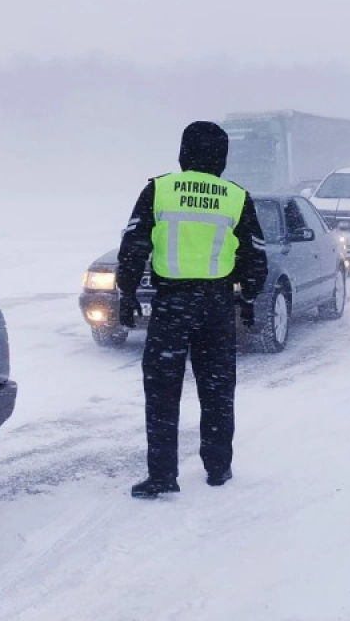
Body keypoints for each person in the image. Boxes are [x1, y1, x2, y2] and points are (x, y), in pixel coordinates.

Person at [117, 121, 268, 499]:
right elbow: (255, 256)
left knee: (162, 391)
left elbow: (134, 243)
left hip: (171, 306)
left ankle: (163, 474)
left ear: (184, 153)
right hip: (217, 306)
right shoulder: (236, 197)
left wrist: (128, 291)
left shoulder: (160, 190)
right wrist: (248, 297)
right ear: (223, 158)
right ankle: (218, 468)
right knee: (218, 390)